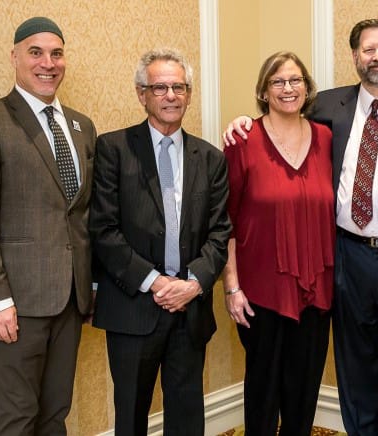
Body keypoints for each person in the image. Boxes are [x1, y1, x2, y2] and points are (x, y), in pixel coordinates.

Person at [224, 18, 378, 435]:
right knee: (355, 372)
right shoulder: (330, 107)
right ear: (354, 57)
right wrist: (241, 120)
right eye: (369, 50)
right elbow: (276, 122)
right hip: (346, 259)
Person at [0, 17, 96, 435]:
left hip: (69, 302)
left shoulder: (81, 126)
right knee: (17, 419)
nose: (47, 63)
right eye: (35, 52)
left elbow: (81, 215)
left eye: (56, 53)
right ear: (14, 57)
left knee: (55, 415)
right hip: (14, 304)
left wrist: (88, 286)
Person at [89, 48, 231, 435]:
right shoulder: (114, 150)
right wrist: (157, 282)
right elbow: (103, 230)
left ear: (188, 93)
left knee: (187, 418)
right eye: (160, 87)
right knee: (131, 415)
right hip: (134, 308)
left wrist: (192, 283)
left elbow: (221, 233)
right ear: (142, 94)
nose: (171, 95)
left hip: (190, 310)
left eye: (179, 87)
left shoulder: (211, 158)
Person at [222, 51, 334, 436]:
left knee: (304, 396)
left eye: (295, 80)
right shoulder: (242, 139)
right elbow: (226, 221)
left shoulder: (326, 138)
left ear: (307, 87)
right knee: (263, 394)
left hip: (316, 291)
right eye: (278, 82)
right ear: (264, 91)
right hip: (261, 292)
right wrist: (232, 287)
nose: (288, 88)